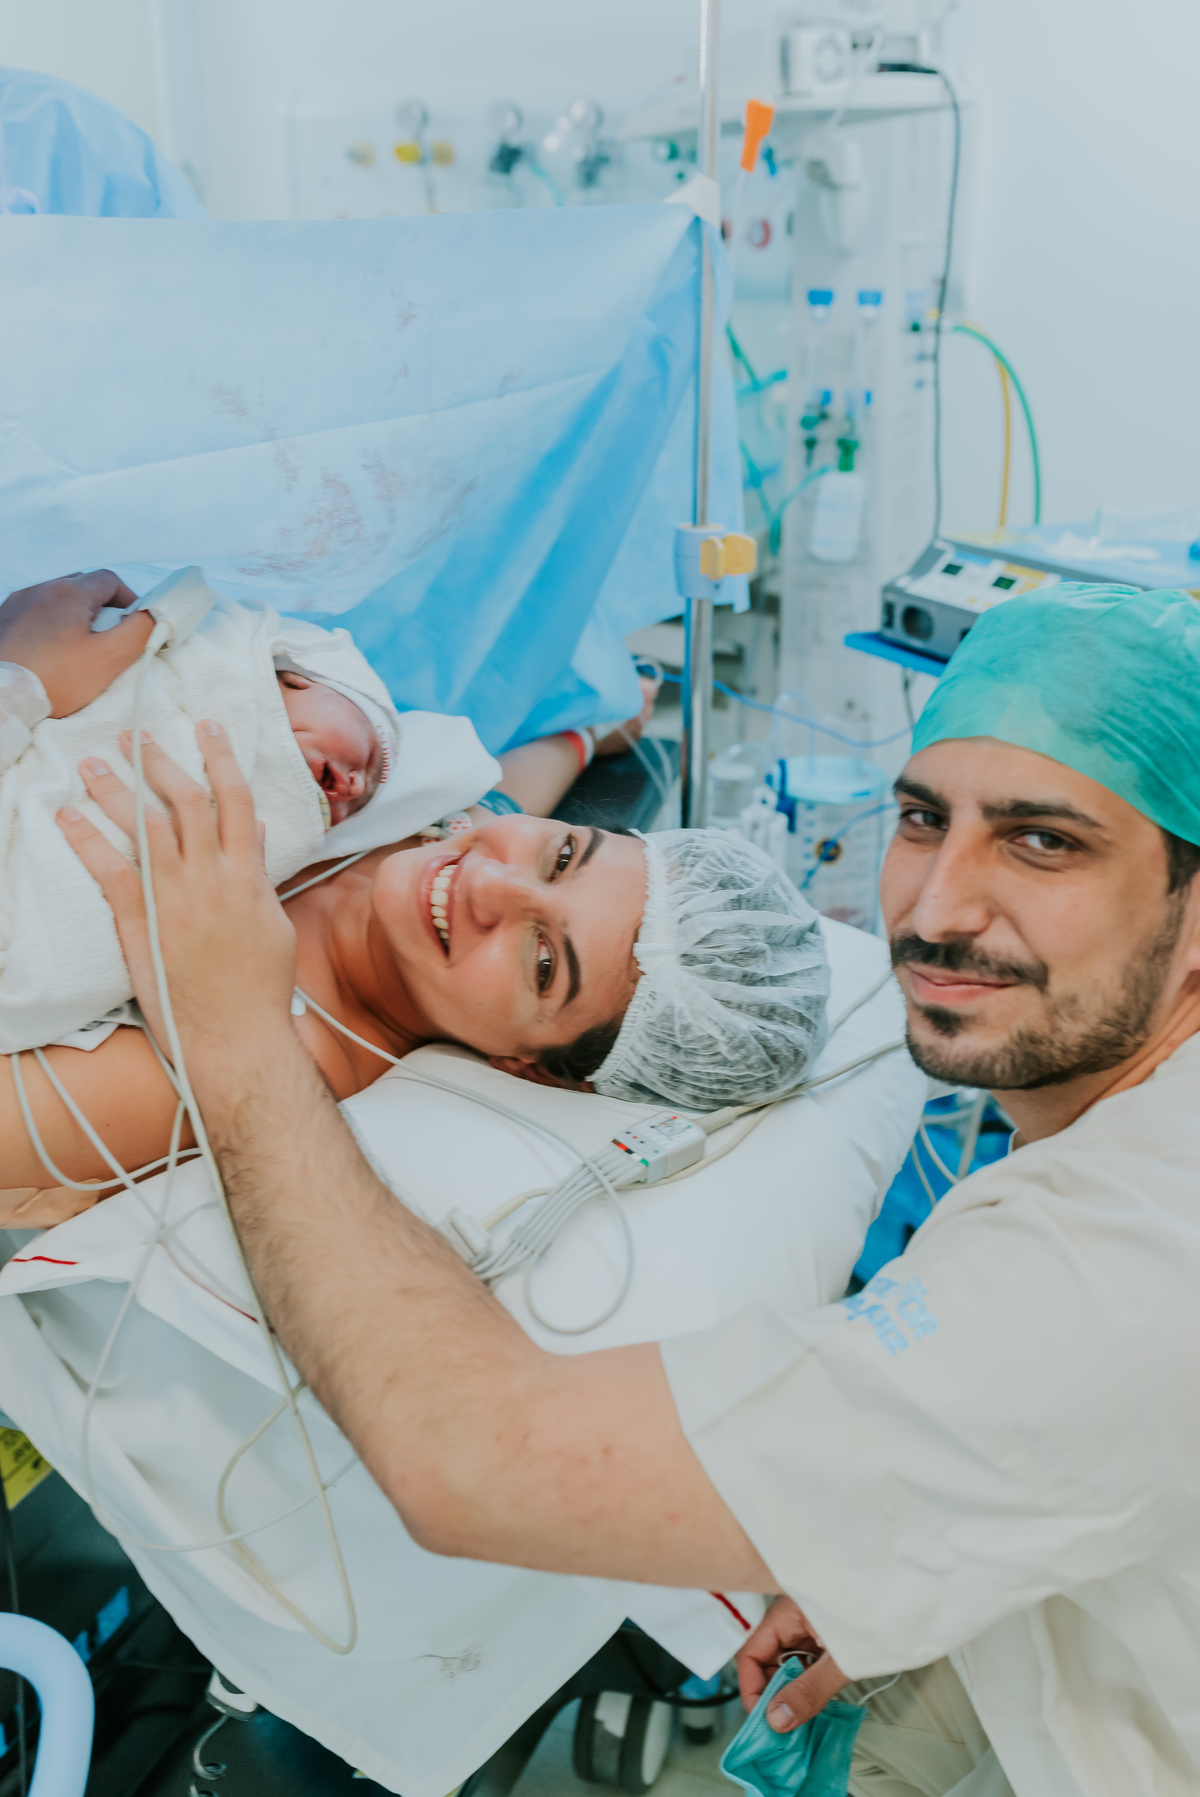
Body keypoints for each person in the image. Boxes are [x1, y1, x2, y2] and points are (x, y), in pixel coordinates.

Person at [56, 580, 1200, 1796]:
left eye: (1044, 841)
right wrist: (902, 1541)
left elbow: (477, 1459)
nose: (933, 908)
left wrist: (236, 1032)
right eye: (924, 819)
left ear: (525, 1063)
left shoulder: (1132, 1256)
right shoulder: (1101, 1120)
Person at [0, 576, 829, 1223]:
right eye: (566, 851)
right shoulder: (442, 820)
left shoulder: (238, 1059)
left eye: (544, 961)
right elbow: (514, 792)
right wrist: (589, 732)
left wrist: (21, 684)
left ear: (531, 1064)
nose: (491, 880)